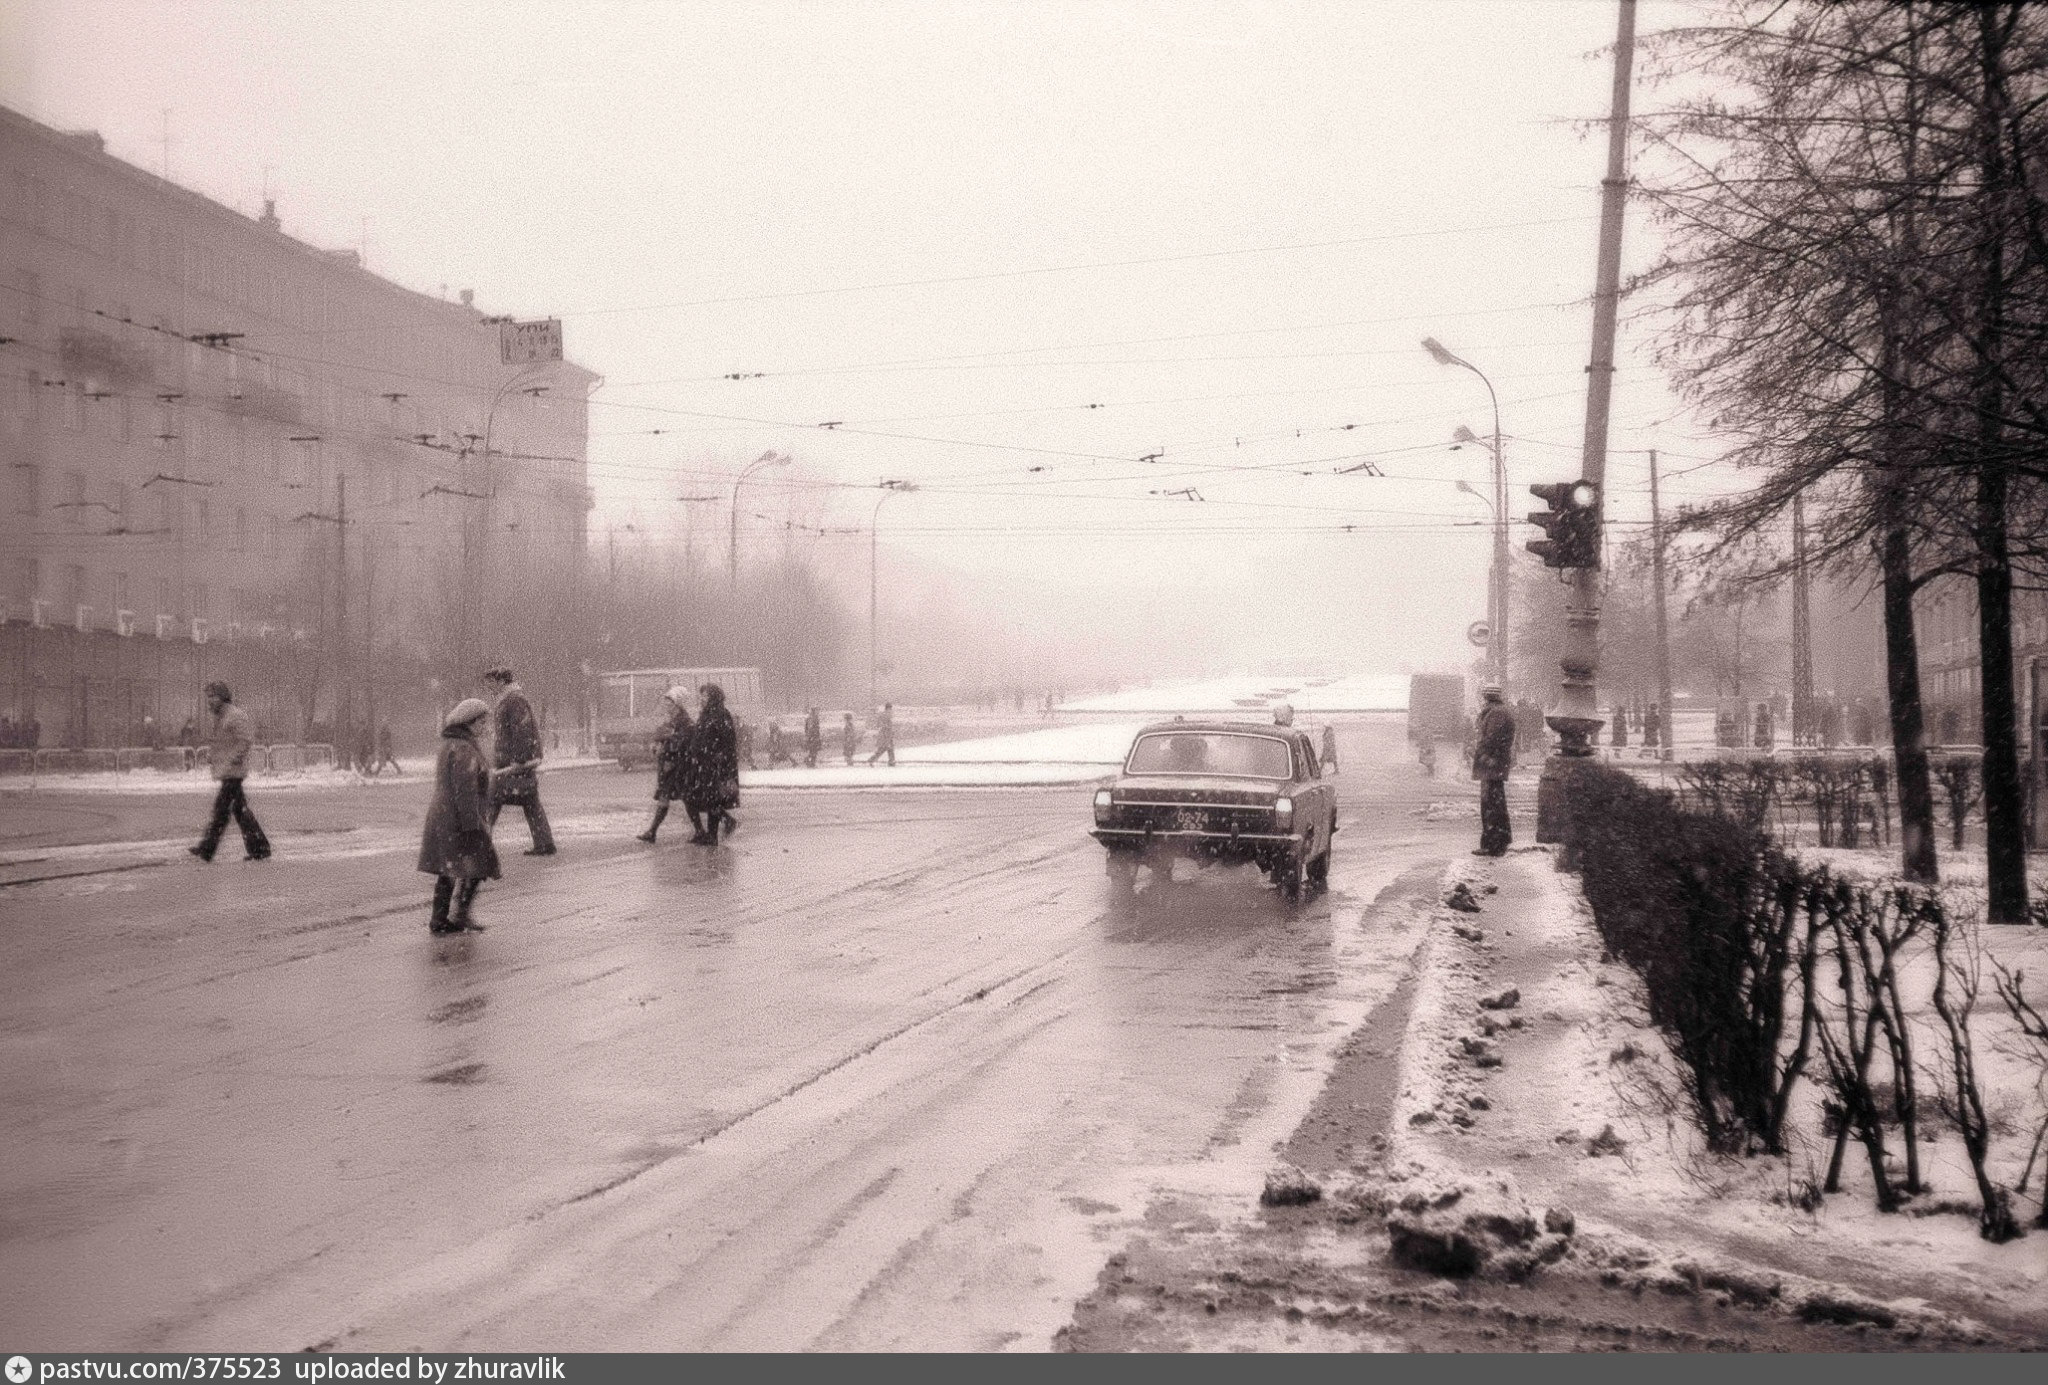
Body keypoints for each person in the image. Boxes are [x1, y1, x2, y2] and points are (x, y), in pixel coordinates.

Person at [418, 698, 498, 934]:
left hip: (445, 814)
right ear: (470, 722)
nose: (485, 727)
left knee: (450, 868)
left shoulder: (452, 744)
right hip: (458, 816)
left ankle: (442, 918)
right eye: (482, 722)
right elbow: (465, 789)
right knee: (478, 864)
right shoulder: (463, 749)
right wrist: (472, 824)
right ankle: (457, 915)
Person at [190, 681, 271, 863]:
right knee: (240, 811)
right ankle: (260, 848)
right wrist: (213, 756)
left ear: (223, 697)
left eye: (213, 697)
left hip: (233, 772)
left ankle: (207, 850)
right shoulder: (222, 717)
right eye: (208, 697)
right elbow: (223, 743)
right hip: (227, 771)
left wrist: (232, 759)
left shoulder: (234, 715)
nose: (209, 701)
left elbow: (245, 740)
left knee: (221, 812)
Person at [484, 664, 555, 856]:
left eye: (491, 683)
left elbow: (522, 729)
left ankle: (479, 845)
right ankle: (544, 842)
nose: (489, 687)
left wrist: (519, 759)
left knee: (492, 800)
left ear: (500, 681)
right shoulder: (510, 699)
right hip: (516, 761)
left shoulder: (513, 700)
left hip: (514, 763)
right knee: (530, 801)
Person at [637, 687, 696, 843]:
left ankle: (704, 829)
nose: (666, 707)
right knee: (670, 798)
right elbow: (662, 735)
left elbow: (682, 741)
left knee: (686, 798)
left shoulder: (684, 721)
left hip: (677, 766)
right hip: (669, 765)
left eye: (669, 704)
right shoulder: (672, 721)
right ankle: (652, 832)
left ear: (677, 705)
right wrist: (659, 740)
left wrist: (668, 741)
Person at [687, 683, 741, 843]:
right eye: (701, 695)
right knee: (705, 799)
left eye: (704, 696)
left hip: (715, 765)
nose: (701, 699)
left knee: (710, 799)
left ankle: (715, 832)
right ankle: (720, 828)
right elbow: (699, 737)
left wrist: (722, 760)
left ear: (713, 697)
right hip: (703, 763)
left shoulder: (721, 714)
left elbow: (728, 742)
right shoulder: (705, 714)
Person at [1472, 683, 1516, 857]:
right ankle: (1499, 841)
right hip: (1495, 763)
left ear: (1487, 696)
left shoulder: (1496, 713)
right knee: (1495, 802)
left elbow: (1490, 739)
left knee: (1491, 804)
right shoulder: (1498, 711)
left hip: (1491, 764)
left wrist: (1483, 755)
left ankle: (1493, 844)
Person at [866, 701, 896, 766]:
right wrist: (889, 731)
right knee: (884, 749)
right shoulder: (887, 715)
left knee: (887, 749)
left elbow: (878, 724)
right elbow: (888, 725)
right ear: (888, 708)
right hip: (886, 735)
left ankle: (891, 761)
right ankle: (873, 759)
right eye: (890, 708)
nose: (891, 710)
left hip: (885, 734)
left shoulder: (883, 714)